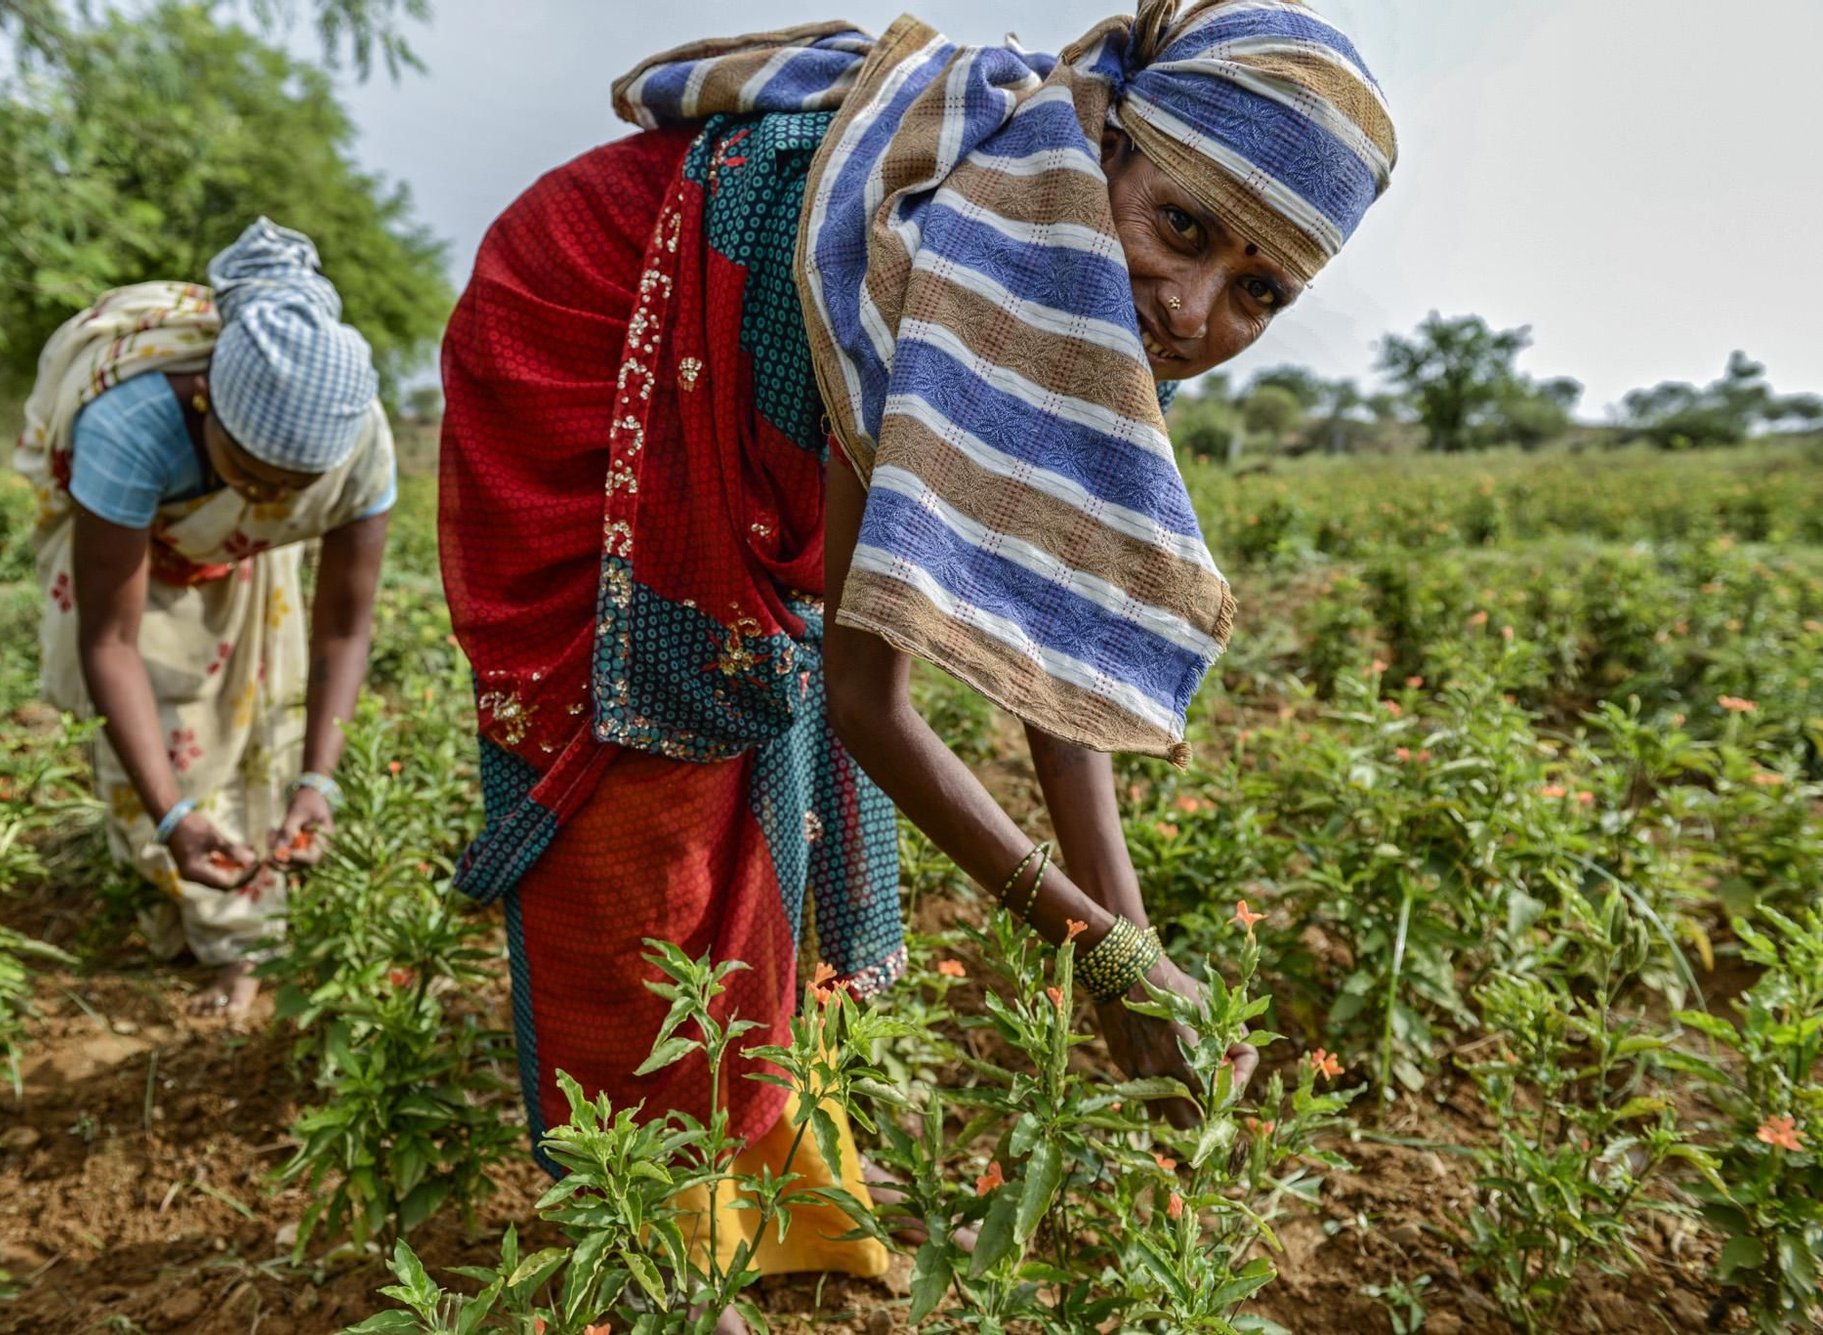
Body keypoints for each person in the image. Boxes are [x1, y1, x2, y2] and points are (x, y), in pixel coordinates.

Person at [439, 0, 1396, 1306]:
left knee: (764, 721)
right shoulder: (961, 250)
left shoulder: (1111, 306)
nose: (1189, 309)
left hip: (743, 394)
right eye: (1181, 227)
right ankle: (660, 1215)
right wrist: (1108, 963)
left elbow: (1045, 639)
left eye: (1259, 291)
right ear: (1104, 144)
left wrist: (1131, 937)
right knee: (656, 782)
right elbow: (874, 703)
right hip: (600, 322)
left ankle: (767, 1164)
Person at [16, 218, 397, 1017]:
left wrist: (318, 780)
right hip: (142, 574)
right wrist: (175, 812)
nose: (268, 501)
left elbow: (344, 629)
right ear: (204, 401)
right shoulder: (131, 427)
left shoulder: (361, 444)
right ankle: (176, 873)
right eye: (248, 473)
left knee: (262, 737)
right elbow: (110, 640)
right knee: (155, 752)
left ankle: (240, 947)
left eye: (293, 487)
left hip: (248, 573)